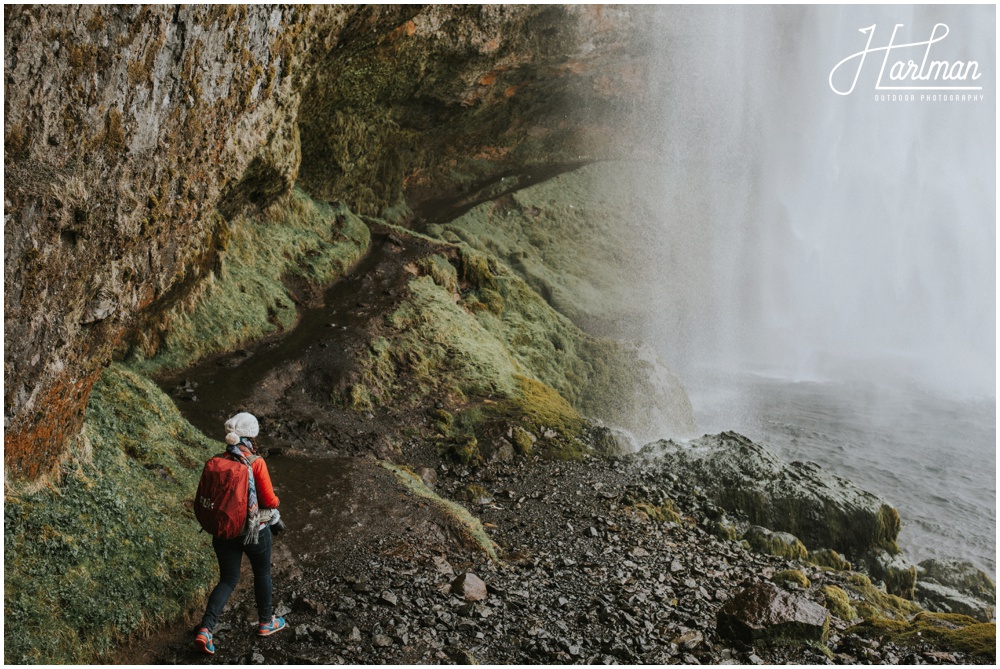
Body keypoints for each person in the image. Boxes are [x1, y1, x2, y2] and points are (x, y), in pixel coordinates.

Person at [195, 412, 286, 655]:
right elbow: (269, 500)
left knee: (227, 579)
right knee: (262, 571)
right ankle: (266, 622)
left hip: (224, 531)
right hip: (254, 532)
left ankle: (206, 629)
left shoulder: (218, 460)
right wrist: (277, 503)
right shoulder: (256, 461)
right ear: (252, 436)